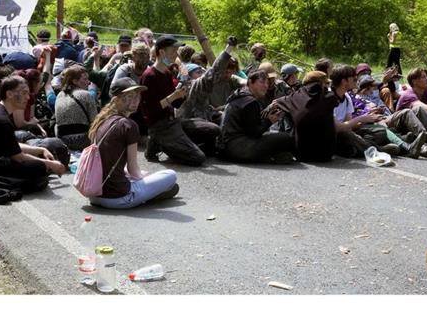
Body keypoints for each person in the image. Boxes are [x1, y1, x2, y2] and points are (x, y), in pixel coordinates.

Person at [87, 77, 179, 209]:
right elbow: (133, 170)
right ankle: (147, 195)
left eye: (137, 96)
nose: (135, 100)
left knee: (160, 182)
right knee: (171, 176)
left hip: (94, 196)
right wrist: (142, 177)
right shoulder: (129, 125)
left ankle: (149, 193)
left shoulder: (102, 120)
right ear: (116, 99)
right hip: (118, 197)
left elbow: (110, 163)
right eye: (128, 96)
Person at [0, 75, 66, 181]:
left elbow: (11, 146)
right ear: (9, 94)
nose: (28, 97)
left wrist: (41, 150)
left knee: (38, 160)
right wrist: (50, 164)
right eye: (24, 93)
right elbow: (18, 157)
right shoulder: (1, 119)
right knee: (39, 167)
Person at [140, 35, 207, 166]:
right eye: (173, 51)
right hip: (159, 126)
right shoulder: (149, 76)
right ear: (162, 52)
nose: (176, 55)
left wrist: (184, 93)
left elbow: (176, 103)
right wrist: (174, 96)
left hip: (172, 121)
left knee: (212, 130)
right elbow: (150, 110)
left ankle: (174, 143)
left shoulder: (166, 73)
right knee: (198, 157)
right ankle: (157, 143)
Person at [219, 70, 295, 163]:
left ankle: (272, 156)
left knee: (273, 135)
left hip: (224, 147)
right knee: (285, 137)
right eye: (262, 82)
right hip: (236, 148)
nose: (266, 86)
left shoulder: (238, 94)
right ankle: (270, 157)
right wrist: (270, 121)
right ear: (250, 82)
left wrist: (267, 115)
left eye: (267, 83)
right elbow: (254, 133)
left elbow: (249, 124)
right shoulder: (250, 102)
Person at [54, 65, 97, 149]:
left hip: (63, 141)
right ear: (74, 81)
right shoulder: (86, 95)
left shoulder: (59, 95)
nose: (88, 82)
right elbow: (95, 122)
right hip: (83, 140)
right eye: (85, 79)